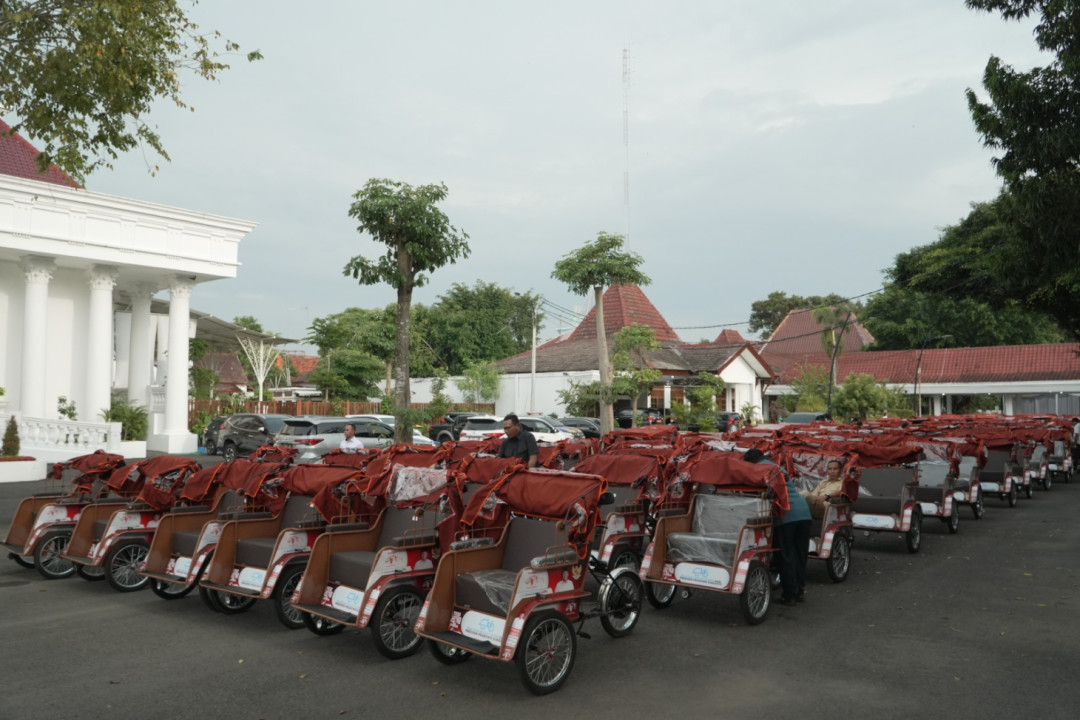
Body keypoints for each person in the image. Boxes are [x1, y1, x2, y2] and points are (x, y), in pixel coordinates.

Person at [743, 447, 811, 606]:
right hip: (804, 513)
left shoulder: (758, 469)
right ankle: (799, 591)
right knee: (799, 555)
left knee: (785, 556)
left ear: (750, 462)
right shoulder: (776, 467)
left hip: (786, 516)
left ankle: (789, 595)